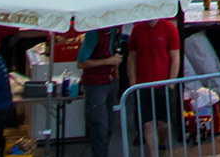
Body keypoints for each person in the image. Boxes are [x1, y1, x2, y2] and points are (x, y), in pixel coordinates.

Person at [126, 13, 182, 157]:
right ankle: (154, 154)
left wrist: (171, 83)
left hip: (163, 84)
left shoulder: (169, 29)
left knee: (164, 124)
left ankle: (161, 145)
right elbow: (132, 56)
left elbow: (175, 57)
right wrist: (133, 82)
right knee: (148, 123)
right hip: (143, 85)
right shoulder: (137, 30)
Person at [74, 27, 122, 157]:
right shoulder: (94, 33)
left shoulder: (113, 31)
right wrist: (108, 61)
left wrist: (115, 72)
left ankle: (102, 153)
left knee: (108, 125)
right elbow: (81, 62)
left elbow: (112, 51)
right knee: (100, 126)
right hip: (96, 84)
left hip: (110, 81)